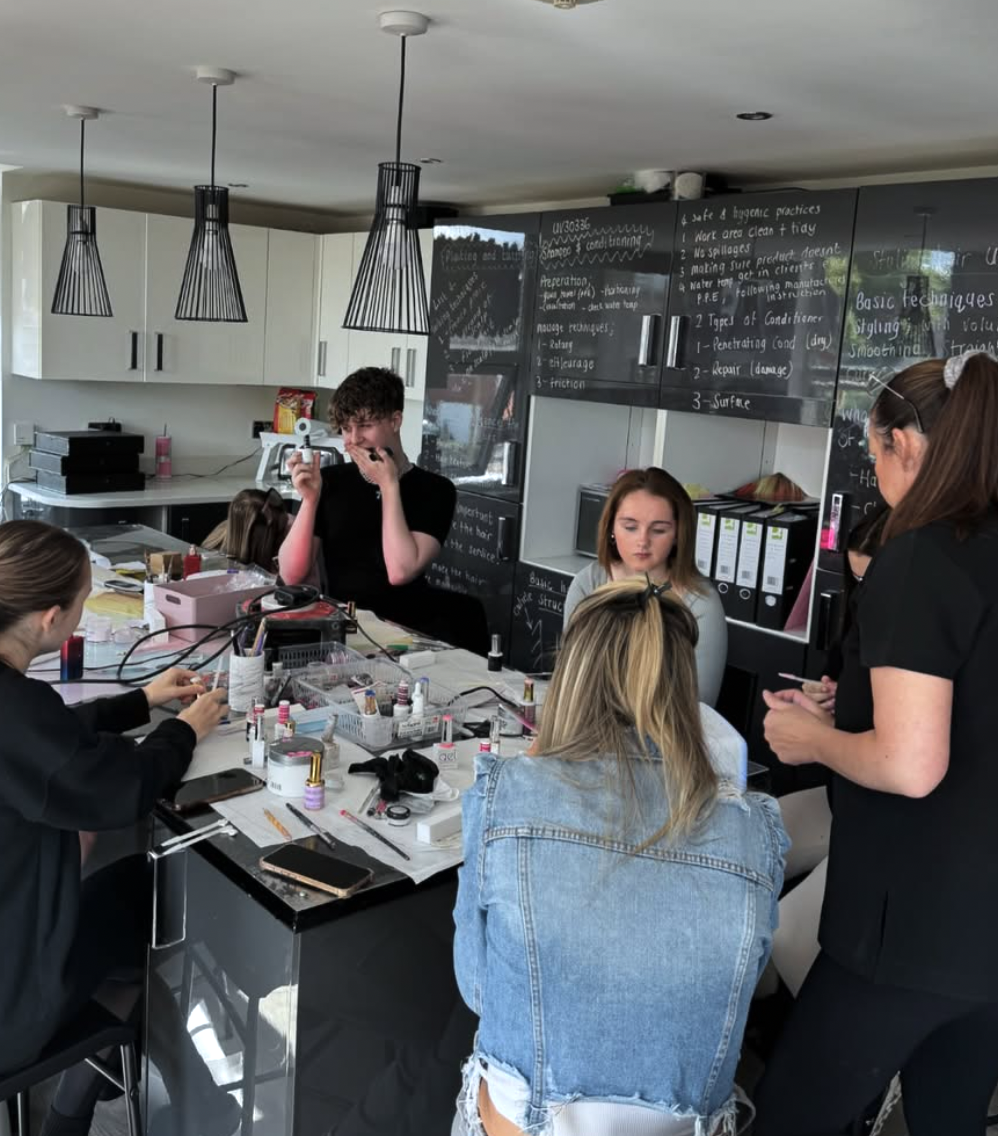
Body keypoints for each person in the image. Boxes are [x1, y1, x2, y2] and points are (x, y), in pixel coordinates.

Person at [754, 351, 998, 1136]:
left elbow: (910, 763)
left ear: (906, 446)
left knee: (793, 1117)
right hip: (986, 940)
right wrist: (850, 706)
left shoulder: (920, 557)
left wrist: (809, 737)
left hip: (908, 927)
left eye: (872, 450)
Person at [454, 577, 788, 1136]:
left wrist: (531, 773)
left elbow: (481, 989)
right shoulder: (754, 830)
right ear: (685, 690)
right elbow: (735, 992)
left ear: (572, 678)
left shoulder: (504, 796)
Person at [0, 521, 231, 1135]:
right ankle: (97, 1103)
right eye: (82, 603)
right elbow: (119, 790)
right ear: (52, 619)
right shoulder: (16, 711)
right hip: (8, 1002)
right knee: (163, 894)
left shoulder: (17, 704)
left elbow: (49, 741)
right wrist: (186, 730)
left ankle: (119, 1087)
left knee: (127, 894)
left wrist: (143, 699)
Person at [277, 367, 479, 648]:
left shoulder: (435, 490)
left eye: (365, 425)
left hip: (410, 637)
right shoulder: (330, 482)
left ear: (395, 420)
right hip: (343, 633)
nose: (354, 438)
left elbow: (400, 571)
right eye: (347, 428)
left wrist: (389, 485)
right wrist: (310, 500)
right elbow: (291, 574)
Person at [562, 467, 728, 705]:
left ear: (679, 534)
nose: (642, 541)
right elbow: (571, 680)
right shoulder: (588, 583)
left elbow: (700, 707)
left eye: (659, 530)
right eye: (630, 527)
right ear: (611, 528)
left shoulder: (701, 603)